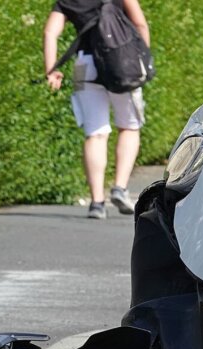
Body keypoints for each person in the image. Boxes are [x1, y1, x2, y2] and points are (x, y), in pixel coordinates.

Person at [43, 0, 150, 220]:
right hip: (122, 62)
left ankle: (97, 202)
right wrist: (143, 60)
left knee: (96, 133)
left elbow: (50, 32)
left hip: (86, 65)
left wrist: (51, 69)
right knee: (129, 126)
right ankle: (119, 187)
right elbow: (140, 24)